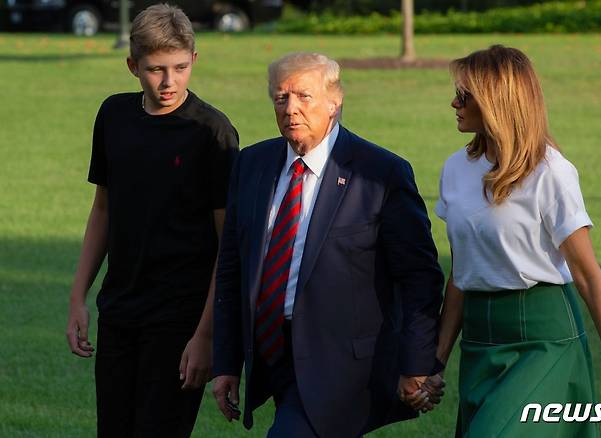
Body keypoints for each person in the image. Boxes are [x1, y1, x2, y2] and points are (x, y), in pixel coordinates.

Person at [211, 52, 445, 438]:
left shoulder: (380, 172)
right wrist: (226, 363)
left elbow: (419, 276)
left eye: (304, 96)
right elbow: (233, 267)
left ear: (335, 102)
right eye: (281, 98)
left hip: (343, 365)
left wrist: (417, 364)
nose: (291, 109)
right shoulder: (252, 164)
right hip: (273, 353)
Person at [421, 45, 601, 436]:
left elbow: (588, 277)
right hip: (480, 340)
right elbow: (462, 275)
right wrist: (436, 362)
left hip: (544, 340)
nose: (454, 102)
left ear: (496, 101)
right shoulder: (455, 169)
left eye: (464, 95)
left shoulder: (551, 173)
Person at [65, 4, 239, 437]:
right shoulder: (113, 116)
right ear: (132, 66)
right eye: (156, 69)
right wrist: (77, 297)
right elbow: (103, 209)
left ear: (194, 60)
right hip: (120, 310)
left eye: (180, 68)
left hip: (180, 321)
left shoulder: (212, 133)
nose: (169, 82)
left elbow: (229, 244)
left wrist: (205, 335)